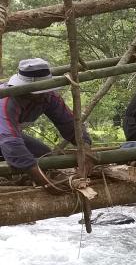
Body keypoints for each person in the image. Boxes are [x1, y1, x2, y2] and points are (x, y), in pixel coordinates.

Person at [0, 58, 91, 193]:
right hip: (4, 136)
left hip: (6, 135)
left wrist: (85, 148)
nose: (41, 95)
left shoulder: (49, 97)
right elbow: (10, 143)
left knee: (44, 155)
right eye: (36, 92)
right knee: (20, 157)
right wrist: (45, 182)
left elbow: (70, 125)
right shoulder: (6, 100)